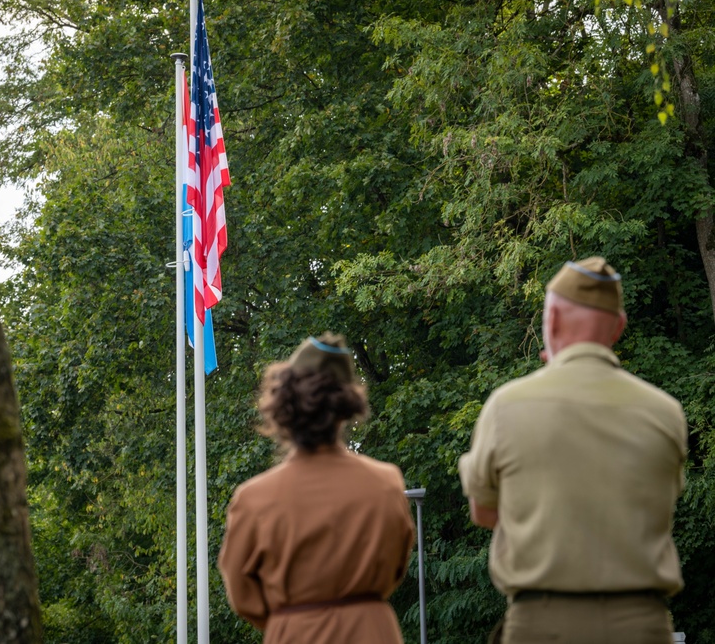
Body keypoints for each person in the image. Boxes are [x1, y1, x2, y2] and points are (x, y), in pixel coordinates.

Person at [459, 257, 687, 643]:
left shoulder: (506, 406)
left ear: (552, 322)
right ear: (618, 327)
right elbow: (661, 503)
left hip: (541, 624)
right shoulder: (665, 413)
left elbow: (483, 512)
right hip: (642, 625)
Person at [218, 332, 415, 644]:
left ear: (283, 406)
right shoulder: (386, 482)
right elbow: (395, 568)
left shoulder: (254, 498)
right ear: (346, 406)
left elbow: (241, 589)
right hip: (372, 632)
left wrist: (292, 618)